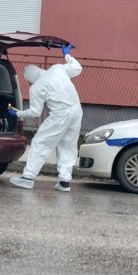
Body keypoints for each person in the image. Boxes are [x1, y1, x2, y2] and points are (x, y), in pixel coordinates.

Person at [7, 43, 82, 192]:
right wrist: (67, 55)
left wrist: (18, 113)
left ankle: (27, 178)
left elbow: (35, 112)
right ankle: (64, 182)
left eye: (28, 82)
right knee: (68, 146)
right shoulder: (57, 69)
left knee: (40, 142)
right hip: (77, 111)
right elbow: (77, 68)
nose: (29, 84)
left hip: (61, 114)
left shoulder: (37, 87)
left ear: (30, 79)